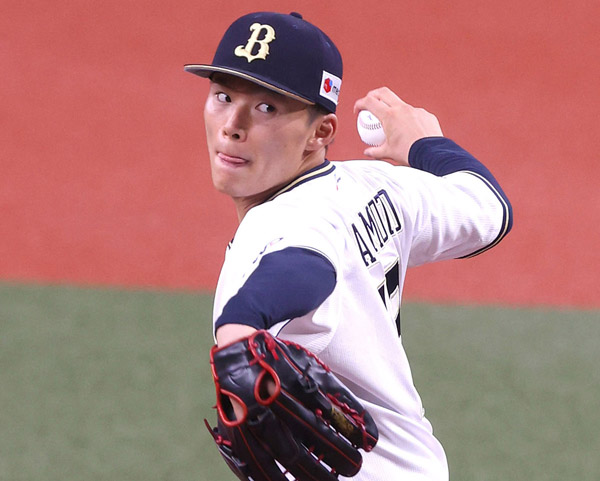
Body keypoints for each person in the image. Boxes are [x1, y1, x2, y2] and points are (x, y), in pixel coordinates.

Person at [185, 11, 512, 481]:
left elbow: (305, 265)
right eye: (223, 96)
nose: (232, 126)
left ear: (320, 133)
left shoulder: (283, 225)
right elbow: (489, 208)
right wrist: (425, 144)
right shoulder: (377, 183)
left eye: (266, 108)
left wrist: (239, 326)